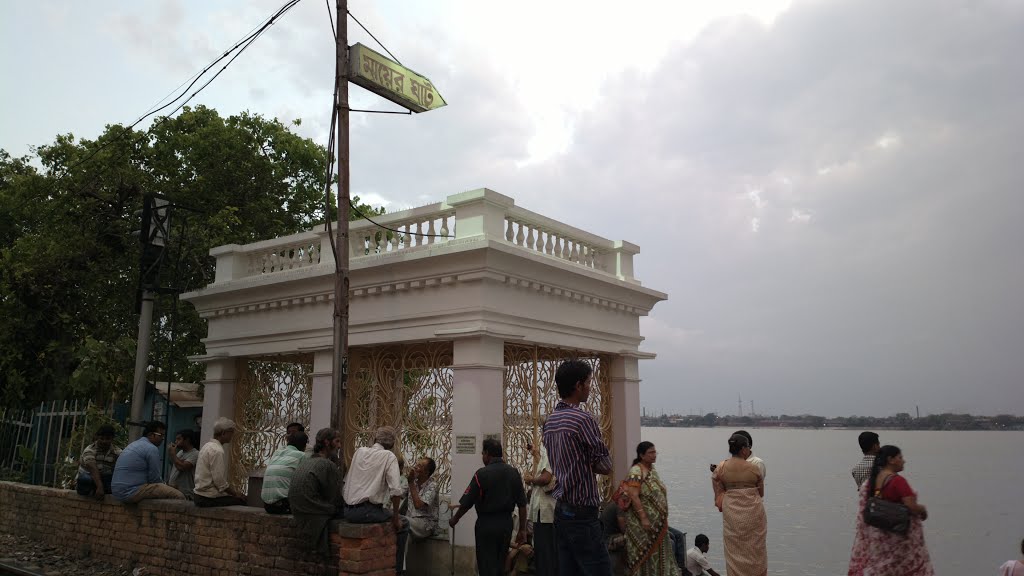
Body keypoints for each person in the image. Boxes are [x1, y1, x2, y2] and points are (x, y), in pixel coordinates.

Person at [543, 359, 614, 576]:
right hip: (583, 512)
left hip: (561, 509)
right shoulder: (583, 419)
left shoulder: (550, 421)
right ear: (578, 385)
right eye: (588, 382)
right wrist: (589, 462)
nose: (590, 387)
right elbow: (605, 465)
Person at [847, 445, 934, 575]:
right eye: (900, 457)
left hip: (880, 541)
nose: (904, 461)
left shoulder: (872, 481)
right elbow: (911, 506)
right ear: (891, 460)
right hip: (898, 541)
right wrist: (923, 509)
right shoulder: (898, 481)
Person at [449, 438, 528, 576]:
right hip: (505, 524)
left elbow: (467, 503)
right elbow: (522, 504)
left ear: (487, 453)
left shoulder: (481, 474)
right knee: (500, 563)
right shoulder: (513, 473)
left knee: (486, 565)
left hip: (486, 525)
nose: (482, 457)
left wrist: (455, 519)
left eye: (482, 453)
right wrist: (522, 529)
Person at [343, 426, 410, 574]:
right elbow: (396, 491)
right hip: (366, 511)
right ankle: (398, 571)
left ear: (374, 439)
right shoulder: (389, 456)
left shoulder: (359, 452)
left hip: (347, 510)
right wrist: (395, 518)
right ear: (392, 445)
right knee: (404, 524)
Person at [711, 433, 766, 576]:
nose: (749, 450)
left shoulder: (721, 467)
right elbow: (761, 492)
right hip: (753, 513)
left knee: (734, 548)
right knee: (755, 549)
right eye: (748, 447)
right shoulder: (754, 468)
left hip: (732, 513)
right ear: (743, 449)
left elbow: (717, 488)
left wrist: (723, 496)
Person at [624, 441, 679, 576]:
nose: (654, 455)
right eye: (651, 452)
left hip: (658, 526)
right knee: (645, 557)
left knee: (661, 556)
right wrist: (643, 518)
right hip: (643, 526)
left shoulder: (652, 470)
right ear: (642, 455)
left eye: (655, 452)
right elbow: (634, 495)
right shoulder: (636, 471)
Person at [289, 428, 346, 555]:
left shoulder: (307, 461)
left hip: (297, 510)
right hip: (313, 510)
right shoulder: (327, 465)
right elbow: (335, 498)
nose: (339, 446)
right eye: (337, 442)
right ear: (327, 442)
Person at [111, 421, 185, 503]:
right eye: (160, 435)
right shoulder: (151, 448)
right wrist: (167, 486)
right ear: (150, 435)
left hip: (117, 491)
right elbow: (155, 479)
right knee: (179, 496)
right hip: (131, 491)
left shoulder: (133, 445)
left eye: (163, 436)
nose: (162, 439)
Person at [522, 439, 557, 576]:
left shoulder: (551, 452)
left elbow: (545, 479)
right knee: (544, 552)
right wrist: (535, 454)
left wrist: (530, 479)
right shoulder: (550, 454)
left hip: (546, 512)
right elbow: (545, 467)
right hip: (543, 512)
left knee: (545, 554)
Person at [193, 417, 246, 507]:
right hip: (207, 497)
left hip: (198, 495)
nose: (232, 436)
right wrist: (235, 493)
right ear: (223, 433)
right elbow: (219, 481)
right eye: (231, 433)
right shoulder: (217, 450)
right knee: (242, 501)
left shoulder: (207, 446)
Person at [261, 430, 309, 514]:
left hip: (267, 506)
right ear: (304, 445)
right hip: (283, 505)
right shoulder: (301, 456)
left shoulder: (277, 453)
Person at [76, 424, 120, 499]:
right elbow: (92, 468)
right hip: (90, 479)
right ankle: (94, 490)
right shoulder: (90, 450)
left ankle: (99, 490)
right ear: (97, 437)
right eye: (101, 438)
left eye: (107, 438)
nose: (104, 441)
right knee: (85, 479)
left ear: (112, 439)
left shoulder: (117, 452)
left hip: (104, 479)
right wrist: (100, 487)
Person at [403, 456, 440, 539]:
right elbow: (398, 494)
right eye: (416, 464)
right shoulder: (412, 481)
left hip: (426, 524)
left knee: (403, 522)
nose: (415, 467)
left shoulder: (433, 486)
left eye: (420, 466)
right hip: (410, 521)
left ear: (426, 472)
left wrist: (411, 483)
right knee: (400, 527)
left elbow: (418, 505)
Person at [166, 429, 199, 500]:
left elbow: (182, 467)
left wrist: (173, 455)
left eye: (178, 439)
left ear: (187, 440)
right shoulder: (180, 452)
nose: (176, 442)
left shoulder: (195, 454)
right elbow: (177, 466)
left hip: (186, 494)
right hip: (175, 490)